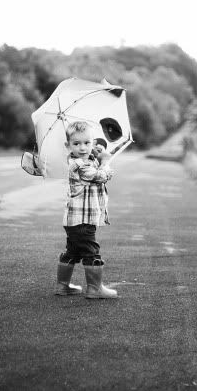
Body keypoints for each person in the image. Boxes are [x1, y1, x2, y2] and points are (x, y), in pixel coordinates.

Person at [55, 121, 118, 299]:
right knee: (91, 251)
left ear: (93, 143)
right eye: (76, 144)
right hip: (82, 220)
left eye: (87, 143)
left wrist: (97, 157)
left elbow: (92, 165)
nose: (82, 148)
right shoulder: (79, 165)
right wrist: (106, 161)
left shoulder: (84, 161)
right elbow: (100, 176)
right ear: (68, 146)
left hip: (74, 220)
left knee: (73, 251)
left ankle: (62, 286)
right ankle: (94, 288)